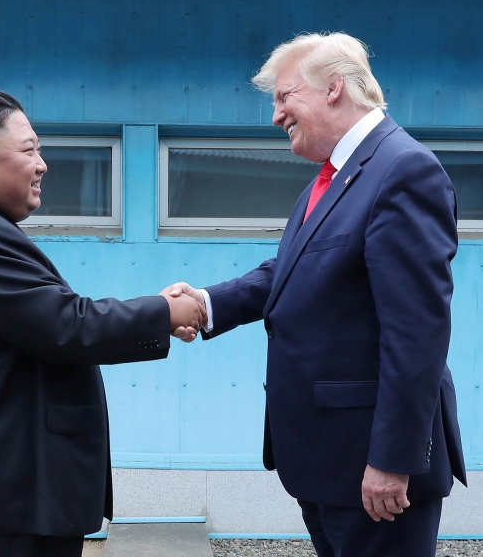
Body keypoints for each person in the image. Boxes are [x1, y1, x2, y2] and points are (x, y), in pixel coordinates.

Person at [168, 33, 467, 557]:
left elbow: (417, 332)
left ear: (333, 89)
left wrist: (392, 460)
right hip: (330, 460)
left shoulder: (403, 170)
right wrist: (208, 303)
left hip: (371, 468)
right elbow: (290, 271)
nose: (276, 115)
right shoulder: (335, 176)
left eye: (283, 97)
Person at [0, 89, 205, 557]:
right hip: (8, 499)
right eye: (28, 150)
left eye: (39, 149)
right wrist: (163, 312)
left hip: (5, 494)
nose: (42, 164)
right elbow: (68, 326)